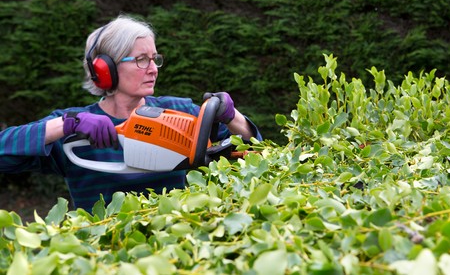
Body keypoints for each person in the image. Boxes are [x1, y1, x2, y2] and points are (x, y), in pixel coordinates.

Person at [0, 14, 262, 212]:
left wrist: (232, 116)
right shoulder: (75, 127)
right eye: (141, 60)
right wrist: (66, 125)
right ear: (105, 69)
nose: (153, 69)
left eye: (155, 58)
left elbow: (256, 155)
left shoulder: (179, 112)